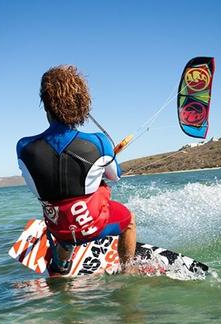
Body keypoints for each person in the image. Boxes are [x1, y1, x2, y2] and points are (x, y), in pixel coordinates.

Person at [16, 65, 136, 274]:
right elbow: (114, 176)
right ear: (80, 104)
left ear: (46, 106)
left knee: (63, 223)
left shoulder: (24, 147)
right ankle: (127, 270)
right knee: (129, 221)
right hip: (92, 227)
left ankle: (61, 268)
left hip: (58, 228)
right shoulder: (98, 142)